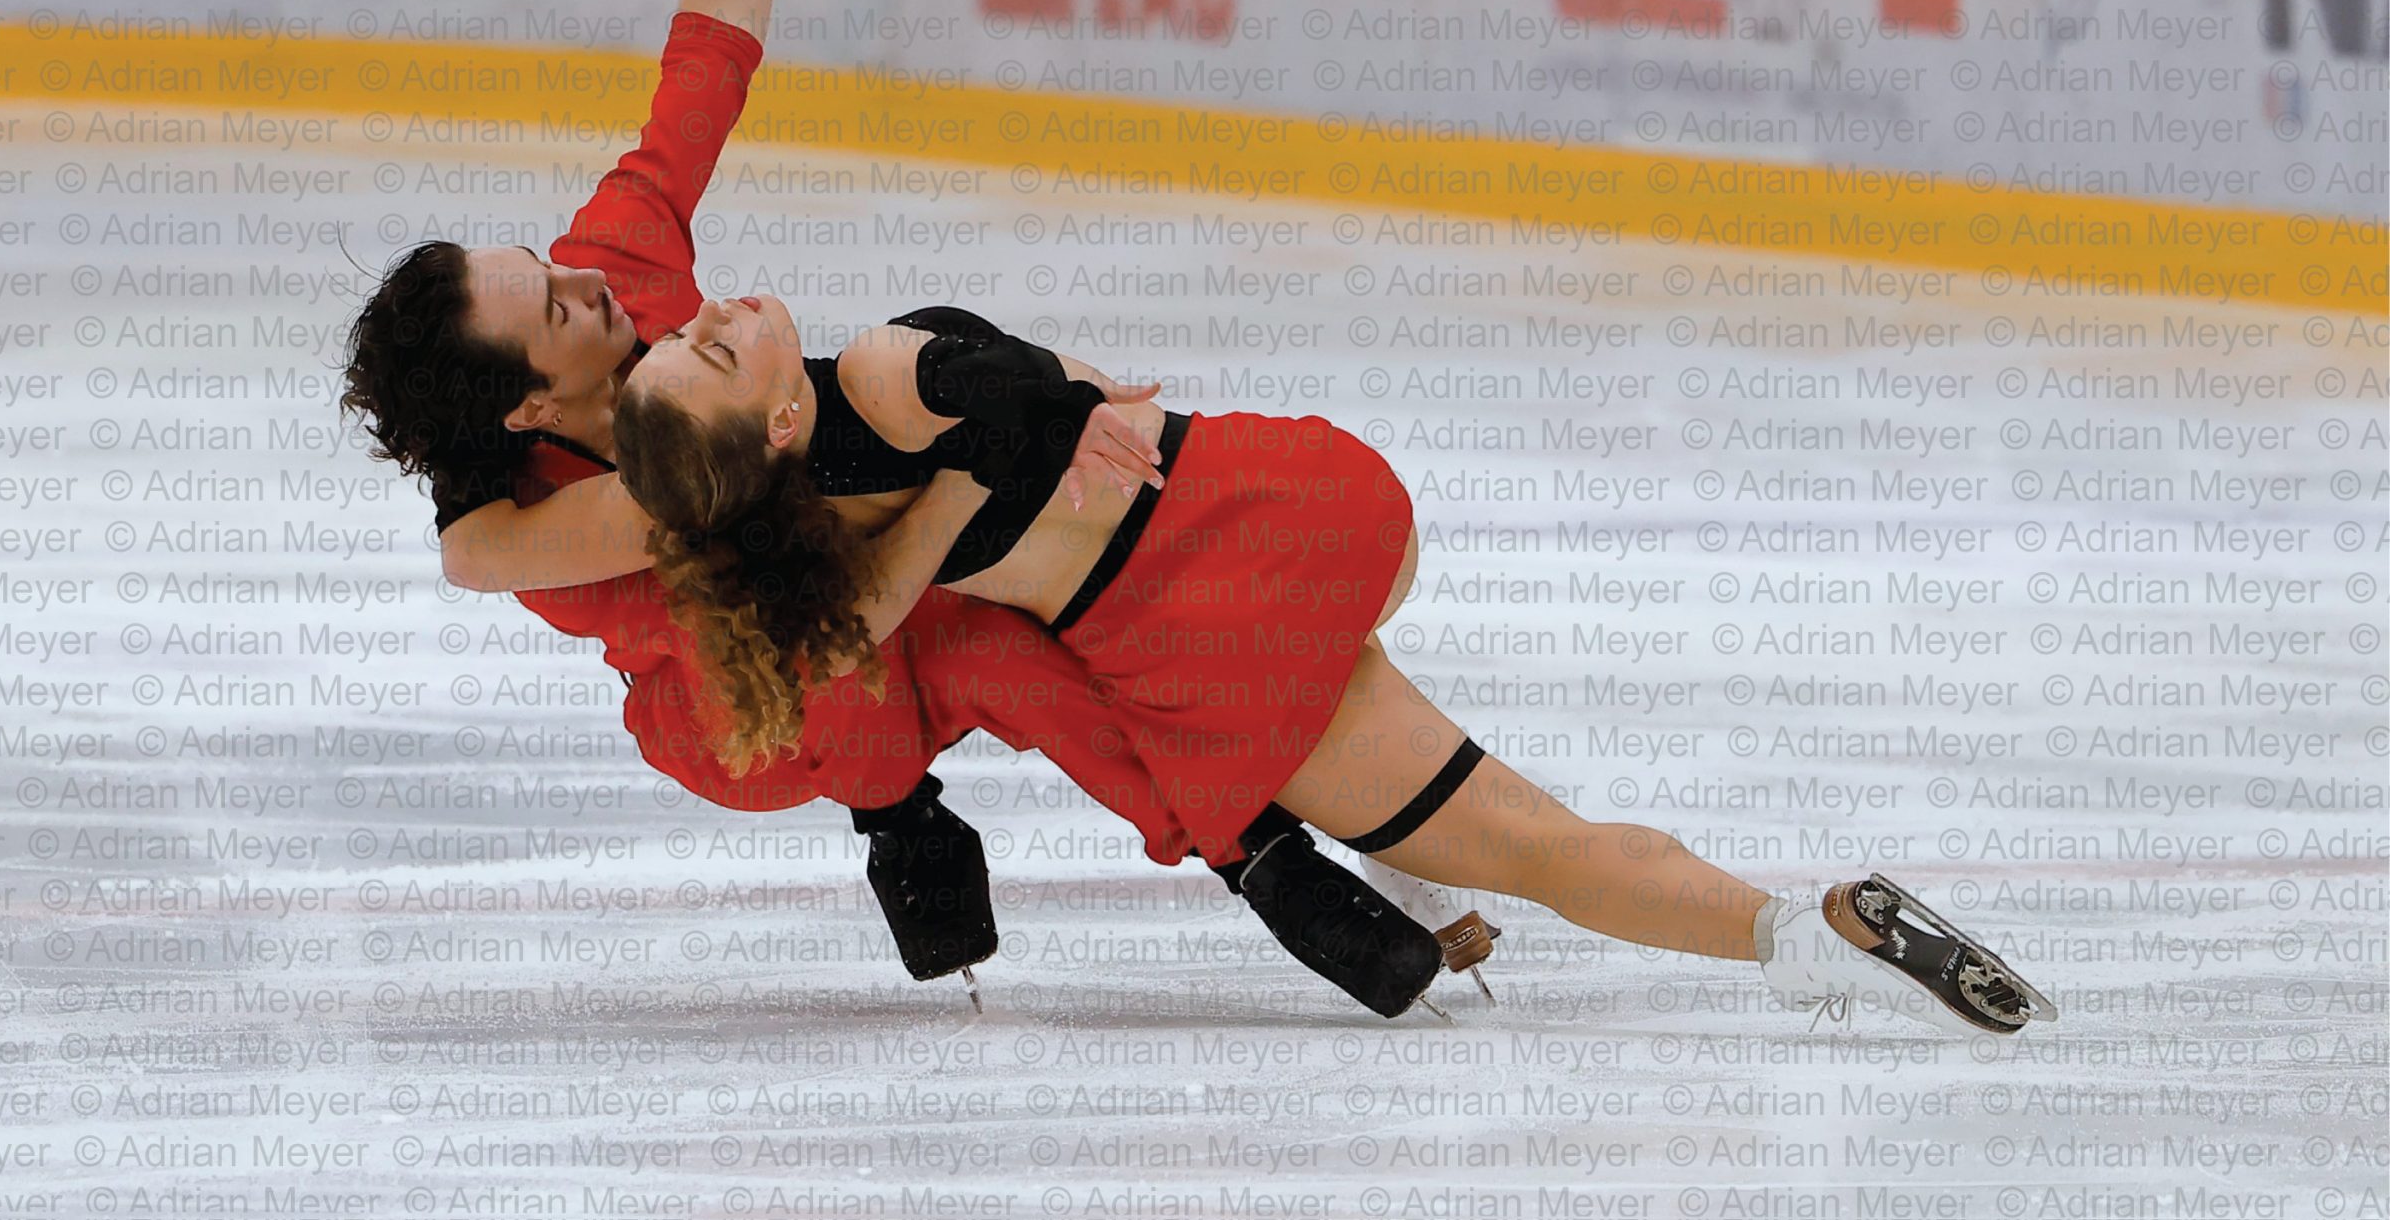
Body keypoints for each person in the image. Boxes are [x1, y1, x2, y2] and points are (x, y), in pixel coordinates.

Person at [338, 0, 1477, 1016]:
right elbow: (712, 558)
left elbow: (702, 66)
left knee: (1052, 598)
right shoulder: (513, 527)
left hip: (855, 595)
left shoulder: (620, 271)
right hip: (749, 711)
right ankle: (1139, 840)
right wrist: (975, 451)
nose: (590, 284)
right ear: (527, 410)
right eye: (556, 311)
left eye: (555, 266)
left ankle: (1284, 839)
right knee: (982, 640)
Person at [609, 295, 2060, 1039]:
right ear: (778, 425)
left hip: (1218, 648)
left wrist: (1014, 441)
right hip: (1289, 502)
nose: (716, 310)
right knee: (1454, 804)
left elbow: (990, 435)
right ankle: (1774, 930)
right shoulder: (867, 365)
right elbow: (987, 388)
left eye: (686, 329)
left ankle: (1807, 944)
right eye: (709, 349)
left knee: (1544, 850)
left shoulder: (834, 571)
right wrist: (1046, 411)